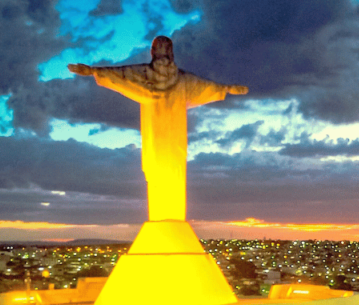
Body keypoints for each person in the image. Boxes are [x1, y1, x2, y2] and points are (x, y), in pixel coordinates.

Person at [68, 36, 247, 222]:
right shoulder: (142, 74)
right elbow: (119, 74)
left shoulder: (183, 79)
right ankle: (162, 219)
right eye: (158, 49)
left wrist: (226, 89)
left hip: (176, 134)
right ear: (153, 52)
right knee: (157, 172)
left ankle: (174, 220)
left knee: (176, 171)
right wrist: (92, 71)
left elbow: (205, 86)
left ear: (171, 52)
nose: (163, 53)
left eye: (166, 49)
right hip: (155, 132)